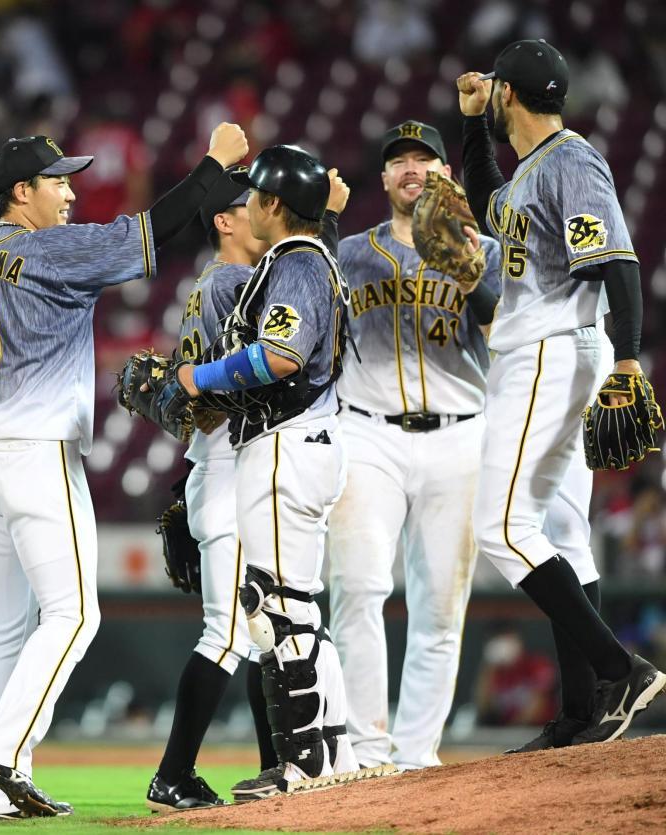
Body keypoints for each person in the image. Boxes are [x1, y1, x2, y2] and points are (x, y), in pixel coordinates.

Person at [0, 125, 249, 819]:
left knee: (4, 631)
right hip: (34, 447)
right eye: (58, 181)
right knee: (75, 613)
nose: (71, 190)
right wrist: (212, 166)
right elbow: (152, 230)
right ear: (22, 192)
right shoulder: (49, 246)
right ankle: (0, 748)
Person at [457, 39, 666, 749]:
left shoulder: (573, 160)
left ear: (508, 94)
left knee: (501, 526)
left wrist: (631, 361)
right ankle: (582, 714)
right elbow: (488, 199)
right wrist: (470, 126)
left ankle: (619, 669)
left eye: (495, 93)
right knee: (564, 532)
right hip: (552, 350)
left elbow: (618, 259)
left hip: (549, 352)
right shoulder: (528, 175)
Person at [166, 145, 359, 802]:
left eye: (254, 196)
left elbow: (279, 353)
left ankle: (301, 759)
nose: (245, 205)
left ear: (273, 205)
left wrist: (199, 377)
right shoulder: (302, 257)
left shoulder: (296, 260)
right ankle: (332, 748)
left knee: (274, 607)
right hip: (305, 439)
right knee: (296, 603)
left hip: (286, 442)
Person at [327, 120, 501, 772]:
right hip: (367, 429)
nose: (411, 169)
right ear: (383, 179)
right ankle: (365, 750)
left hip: (460, 433)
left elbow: (504, 326)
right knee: (358, 586)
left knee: (440, 608)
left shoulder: (480, 248)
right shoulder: (349, 252)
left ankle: (416, 754)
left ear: (444, 174)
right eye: (399, 160)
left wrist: (471, 262)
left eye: (424, 159)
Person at [146, 170, 271, 813]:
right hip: (229, 471)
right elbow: (237, 389)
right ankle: (173, 774)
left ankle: (277, 765)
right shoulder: (230, 284)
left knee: (263, 630)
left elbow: (186, 399)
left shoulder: (212, 286)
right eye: (252, 206)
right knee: (226, 634)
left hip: (218, 467)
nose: (264, 212)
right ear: (224, 220)